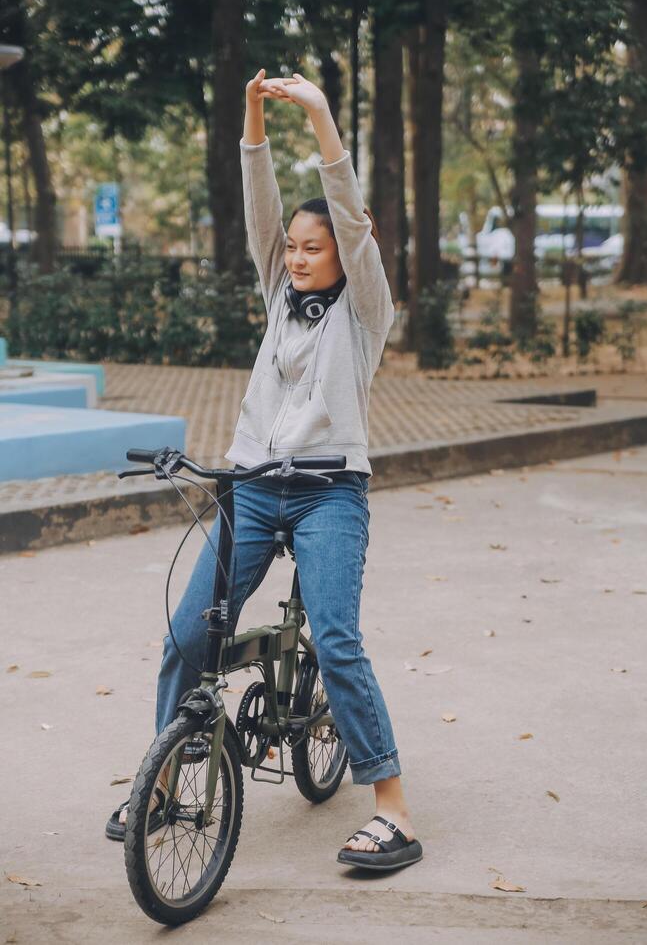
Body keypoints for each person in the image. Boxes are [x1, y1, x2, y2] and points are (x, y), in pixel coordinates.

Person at [106, 67, 422, 872]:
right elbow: (259, 209)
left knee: (339, 638)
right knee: (187, 636)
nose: (301, 256)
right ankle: (167, 780)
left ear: (349, 254)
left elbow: (347, 213)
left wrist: (318, 116)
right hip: (250, 487)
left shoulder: (367, 309)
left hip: (329, 493)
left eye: (317, 248)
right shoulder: (280, 292)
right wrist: (251, 117)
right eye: (295, 246)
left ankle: (391, 811)